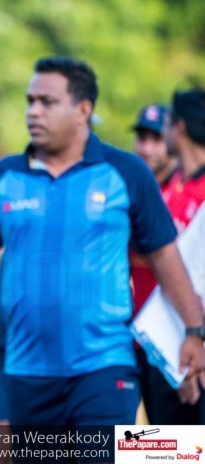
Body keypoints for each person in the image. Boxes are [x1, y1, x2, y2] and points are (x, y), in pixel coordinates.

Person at [0, 56, 205, 426]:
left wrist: (194, 331)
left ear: (83, 109)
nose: (33, 111)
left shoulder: (126, 173)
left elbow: (166, 257)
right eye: (31, 101)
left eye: (47, 102)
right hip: (24, 371)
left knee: (154, 445)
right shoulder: (4, 176)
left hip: (105, 368)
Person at [142, 88, 205, 424]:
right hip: (164, 345)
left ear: (179, 127)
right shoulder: (167, 187)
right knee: (166, 445)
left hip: (195, 349)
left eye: (164, 123)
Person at [127, 103, 176, 422]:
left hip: (176, 339)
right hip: (136, 339)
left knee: (183, 440)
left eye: (156, 139)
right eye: (142, 138)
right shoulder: (128, 194)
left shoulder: (186, 192)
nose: (146, 148)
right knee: (146, 437)